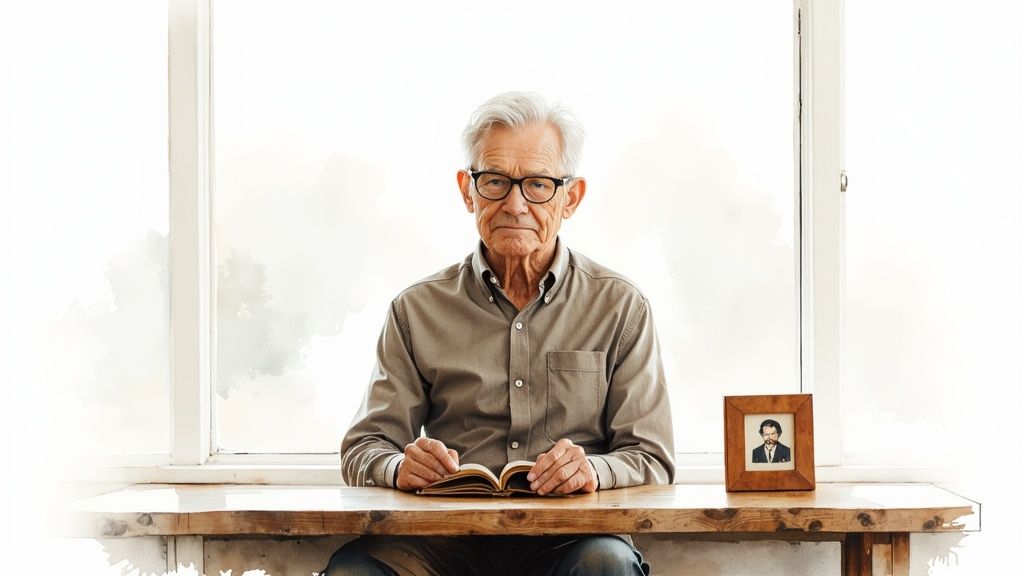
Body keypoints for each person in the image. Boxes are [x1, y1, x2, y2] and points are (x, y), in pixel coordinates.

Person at [321, 92, 675, 576]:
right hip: (441, 544)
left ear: (570, 197)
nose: (515, 204)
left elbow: (652, 456)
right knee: (353, 571)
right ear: (467, 190)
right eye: (495, 182)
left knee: (607, 563)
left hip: (571, 540)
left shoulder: (620, 307)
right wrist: (399, 466)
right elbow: (365, 446)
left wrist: (591, 470)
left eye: (537, 184)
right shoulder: (415, 310)